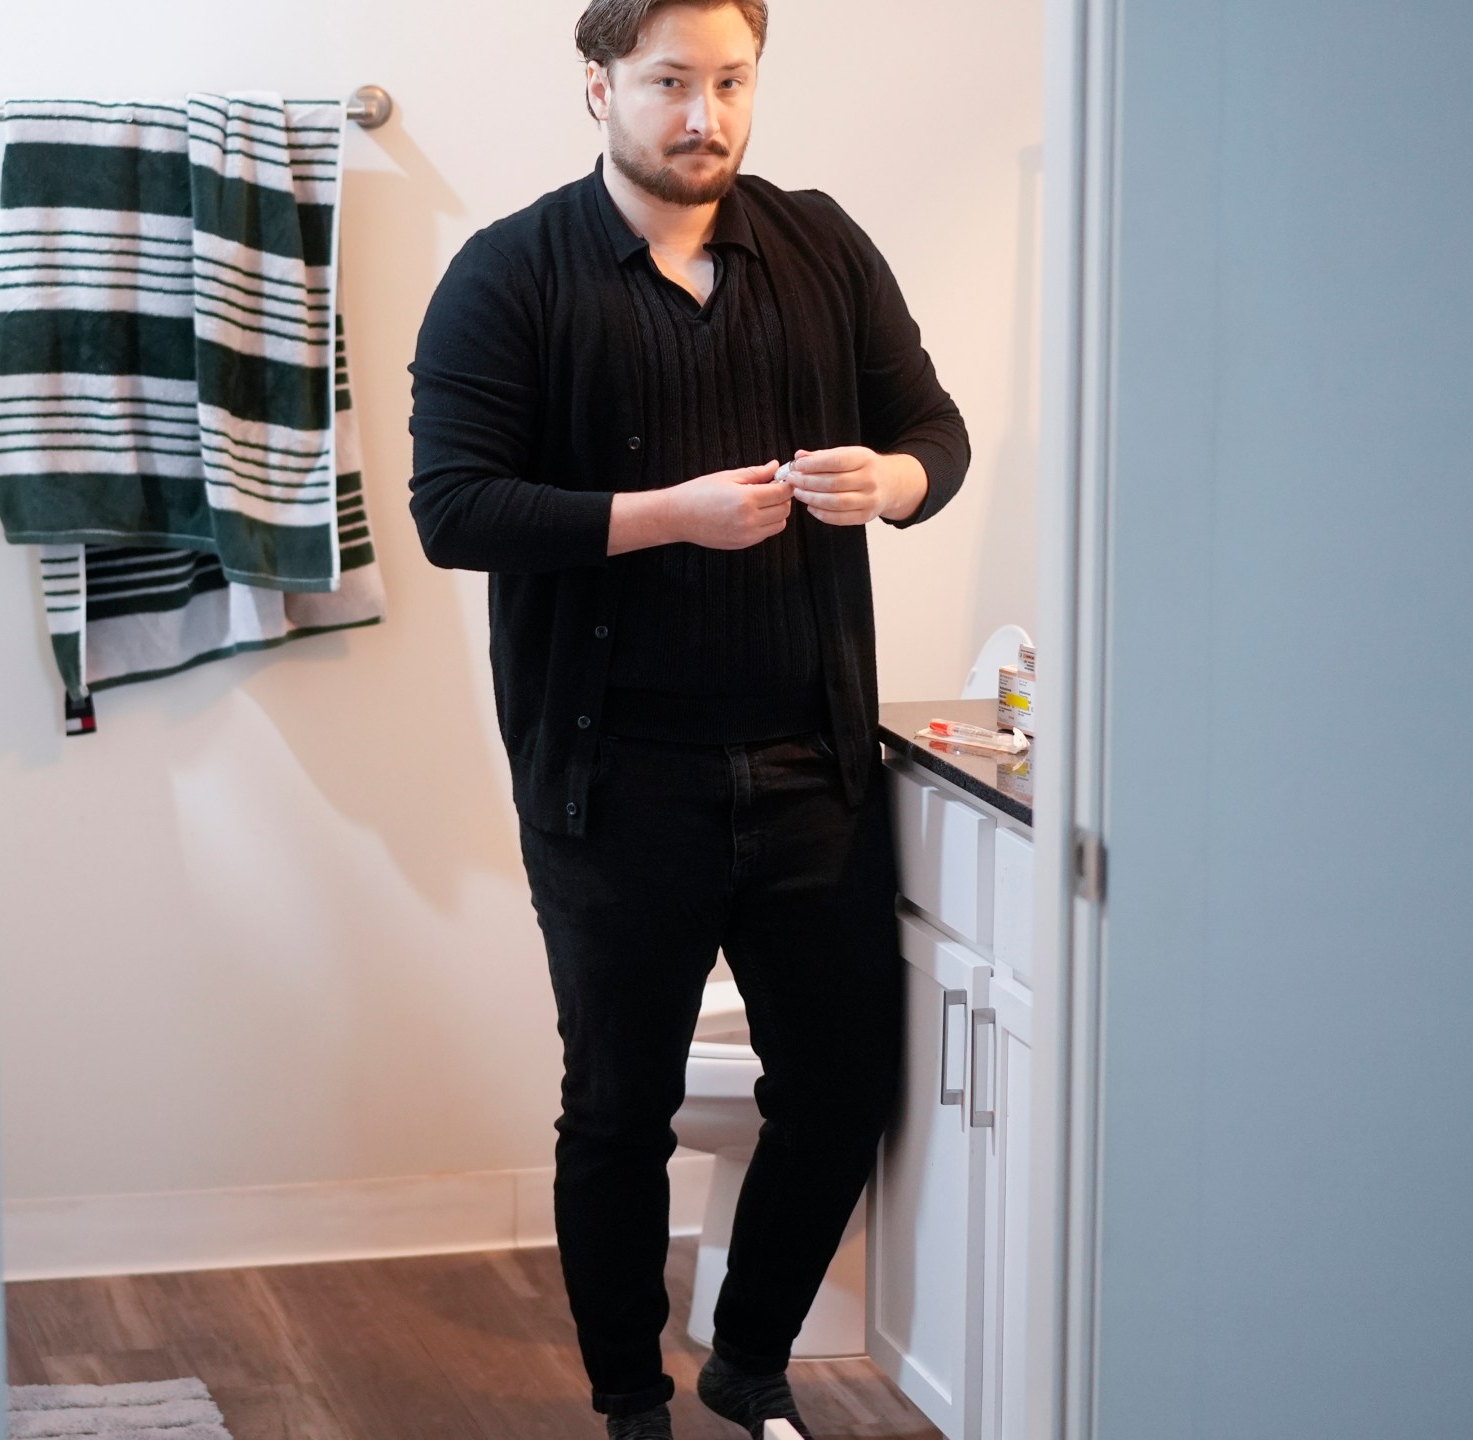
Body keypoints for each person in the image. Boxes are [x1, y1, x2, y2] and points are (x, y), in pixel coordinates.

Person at [407, 1, 970, 1435]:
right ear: (598, 85)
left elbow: (936, 435)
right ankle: (626, 1401)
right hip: (613, 780)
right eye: (670, 82)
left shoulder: (821, 245)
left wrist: (888, 487)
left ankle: (750, 1357)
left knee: (843, 1089)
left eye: (731, 80)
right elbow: (454, 511)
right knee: (619, 1112)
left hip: (813, 765)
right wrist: (674, 519)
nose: (704, 114)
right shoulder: (510, 273)